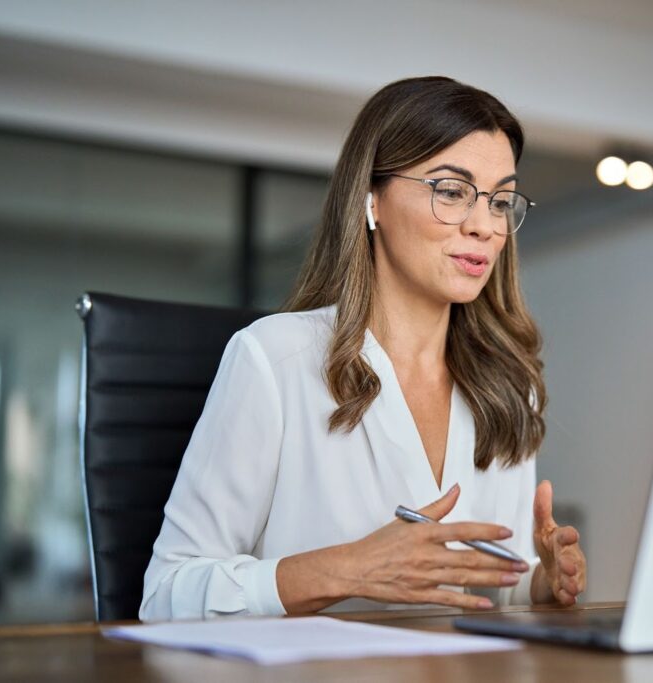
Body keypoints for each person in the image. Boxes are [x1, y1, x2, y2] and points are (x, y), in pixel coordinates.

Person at [140, 76, 587, 620]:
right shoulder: (273, 360)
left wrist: (541, 582)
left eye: (500, 201)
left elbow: (489, 586)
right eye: (451, 191)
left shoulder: (508, 386)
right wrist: (351, 568)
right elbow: (165, 595)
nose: (483, 226)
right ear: (372, 199)